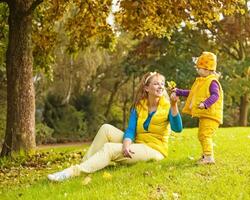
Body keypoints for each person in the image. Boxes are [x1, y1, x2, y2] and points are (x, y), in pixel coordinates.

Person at [48, 72, 183, 181]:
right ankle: (86, 164)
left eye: (162, 84)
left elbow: (178, 128)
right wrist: (126, 144)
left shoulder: (167, 106)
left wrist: (173, 105)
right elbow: (130, 130)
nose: (160, 86)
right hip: (138, 143)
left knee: (110, 148)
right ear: (146, 88)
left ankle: (73, 172)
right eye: (156, 83)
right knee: (106, 128)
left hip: (155, 150)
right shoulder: (138, 106)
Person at [173, 52, 223, 164]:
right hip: (206, 115)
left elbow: (215, 95)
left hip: (211, 114)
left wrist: (206, 104)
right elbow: (193, 94)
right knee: (202, 135)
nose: (197, 70)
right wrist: (179, 91)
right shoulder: (203, 81)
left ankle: (209, 157)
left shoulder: (212, 82)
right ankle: (206, 155)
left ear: (207, 69)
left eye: (199, 68)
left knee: (205, 135)